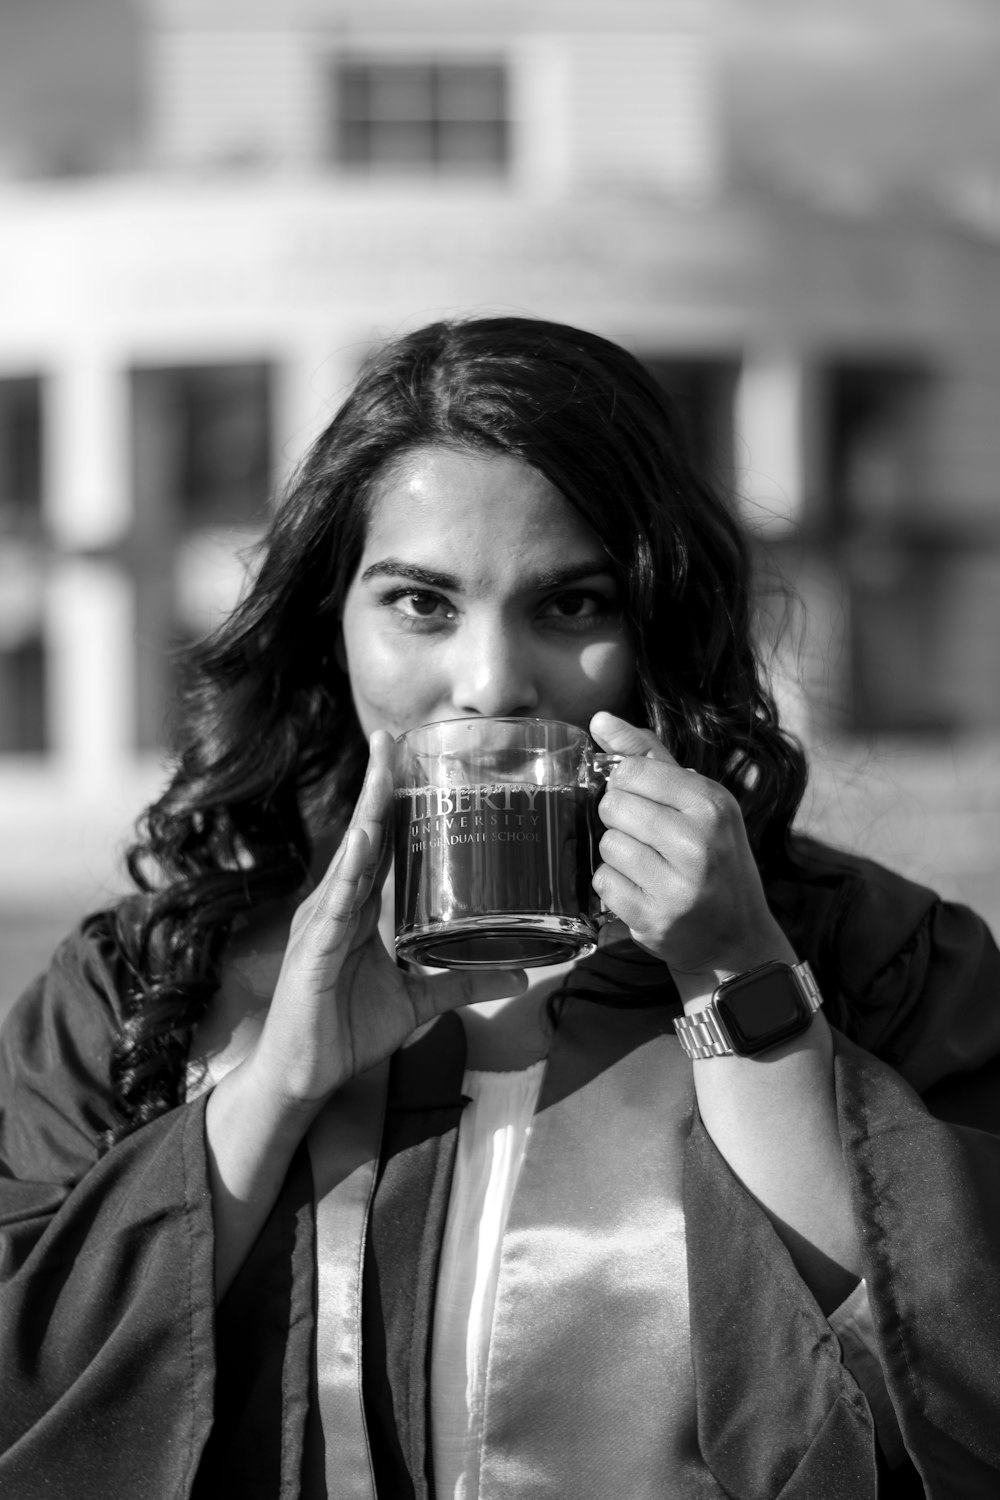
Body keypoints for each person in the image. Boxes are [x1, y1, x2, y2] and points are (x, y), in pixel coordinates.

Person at [1, 316, 998, 1500]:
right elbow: (29, 1401)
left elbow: (965, 1400)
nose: (490, 684)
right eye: (421, 604)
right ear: (333, 623)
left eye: (570, 606)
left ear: (657, 625)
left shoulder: (880, 958)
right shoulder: (143, 981)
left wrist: (740, 987)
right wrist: (269, 1086)